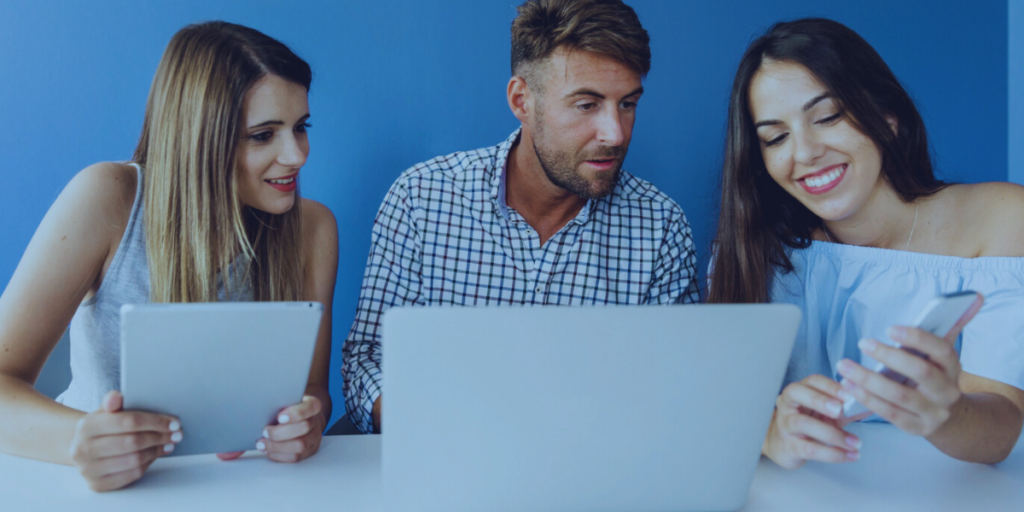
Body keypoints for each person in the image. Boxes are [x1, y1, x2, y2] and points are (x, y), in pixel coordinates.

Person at [0, 21, 338, 491]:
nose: (297, 154)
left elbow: (313, 392)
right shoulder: (107, 198)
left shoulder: (312, 229)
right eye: (264, 135)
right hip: (97, 491)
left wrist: (306, 423)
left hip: (246, 490)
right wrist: (79, 438)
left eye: (300, 127)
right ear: (200, 137)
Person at [342, 0, 700, 434]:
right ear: (521, 100)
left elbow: (673, 388)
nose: (615, 133)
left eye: (627, 104)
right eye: (587, 105)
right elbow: (368, 358)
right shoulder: (422, 198)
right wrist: (426, 422)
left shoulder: (661, 226)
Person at [709, 17, 1024, 468]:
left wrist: (946, 413)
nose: (804, 153)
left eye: (828, 116)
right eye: (776, 137)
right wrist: (767, 432)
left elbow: (999, 432)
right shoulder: (755, 250)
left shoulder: (1003, 219)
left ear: (887, 118)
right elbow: (715, 411)